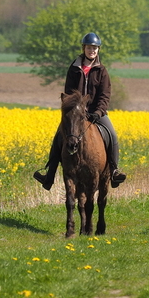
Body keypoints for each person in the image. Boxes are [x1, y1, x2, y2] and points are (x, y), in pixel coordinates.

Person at [33, 32, 126, 190]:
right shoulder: (74, 68)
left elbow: (105, 95)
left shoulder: (102, 71)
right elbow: (69, 93)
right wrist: (76, 110)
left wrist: (98, 112)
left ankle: (114, 171)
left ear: (98, 50)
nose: (92, 51)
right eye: (90, 48)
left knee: (112, 135)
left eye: (95, 48)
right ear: (84, 48)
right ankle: (48, 175)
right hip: (76, 114)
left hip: (97, 113)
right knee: (58, 138)